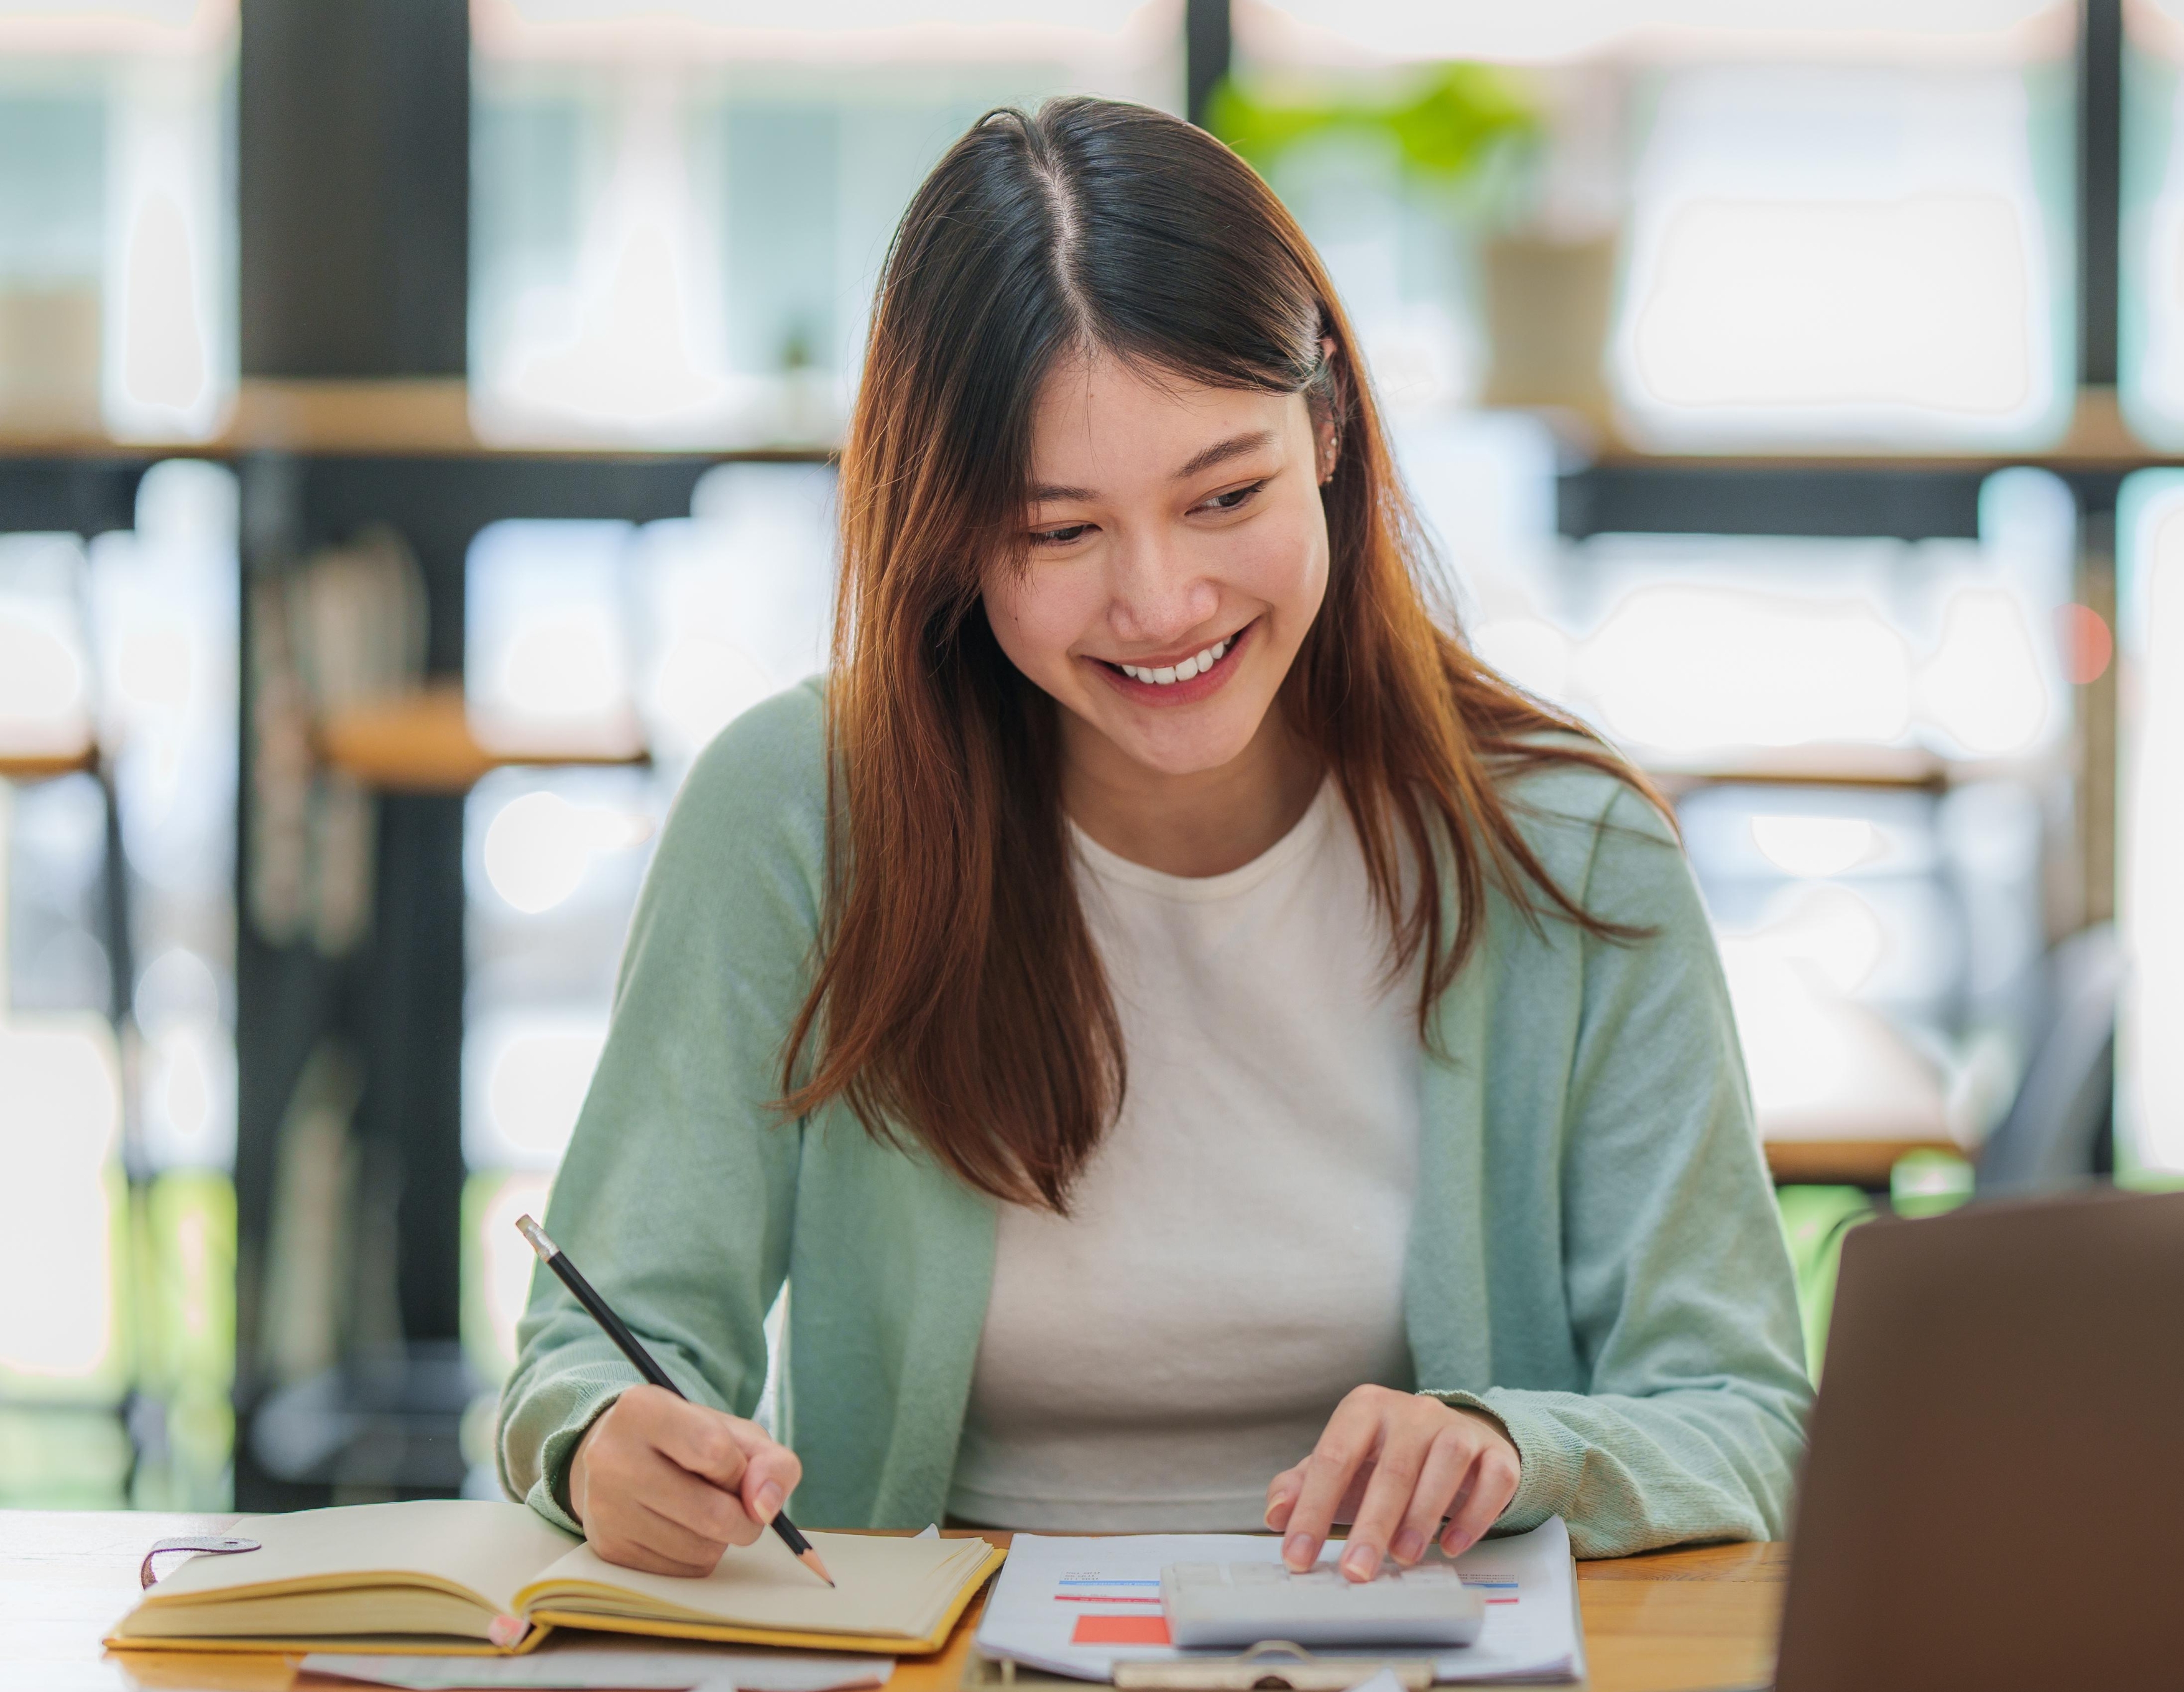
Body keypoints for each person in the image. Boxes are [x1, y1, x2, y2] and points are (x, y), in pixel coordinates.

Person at [496, 96, 1809, 1583]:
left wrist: (1518, 1447)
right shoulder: (799, 814)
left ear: (1328, 429)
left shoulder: (1568, 852)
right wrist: (601, 1442)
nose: (1161, 602)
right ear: (951, 533)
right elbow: (600, 1343)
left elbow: (1745, 1414)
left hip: (1412, 1655)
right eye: (1060, 531)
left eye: (1225, 495)